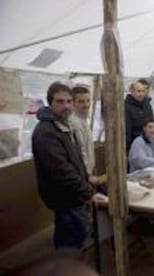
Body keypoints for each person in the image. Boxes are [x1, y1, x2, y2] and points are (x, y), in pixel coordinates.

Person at [32, 82, 95, 249]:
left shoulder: (62, 124)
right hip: (63, 194)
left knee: (68, 230)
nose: (66, 106)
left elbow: (75, 157)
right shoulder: (46, 132)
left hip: (71, 191)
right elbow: (61, 169)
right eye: (60, 101)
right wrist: (86, 191)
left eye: (68, 101)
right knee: (74, 234)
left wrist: (86, 178)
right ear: (50, 103)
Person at [69, 85, 97, 184]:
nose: (86, 104)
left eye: (88, 101)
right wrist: (88, 174)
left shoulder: (83, 119)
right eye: (81, 101)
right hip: (83, 176)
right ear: (72, 103)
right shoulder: (74, 122)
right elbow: (81, 150)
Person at [125, 78, 154, 152]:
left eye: (143, 91)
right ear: (132, 92)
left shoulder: (147, 105)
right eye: (138, 91)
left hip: (148, 143)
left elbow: (152, 121)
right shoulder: (127, 107)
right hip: (134, 145)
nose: (141, 94)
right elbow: (127, 130)